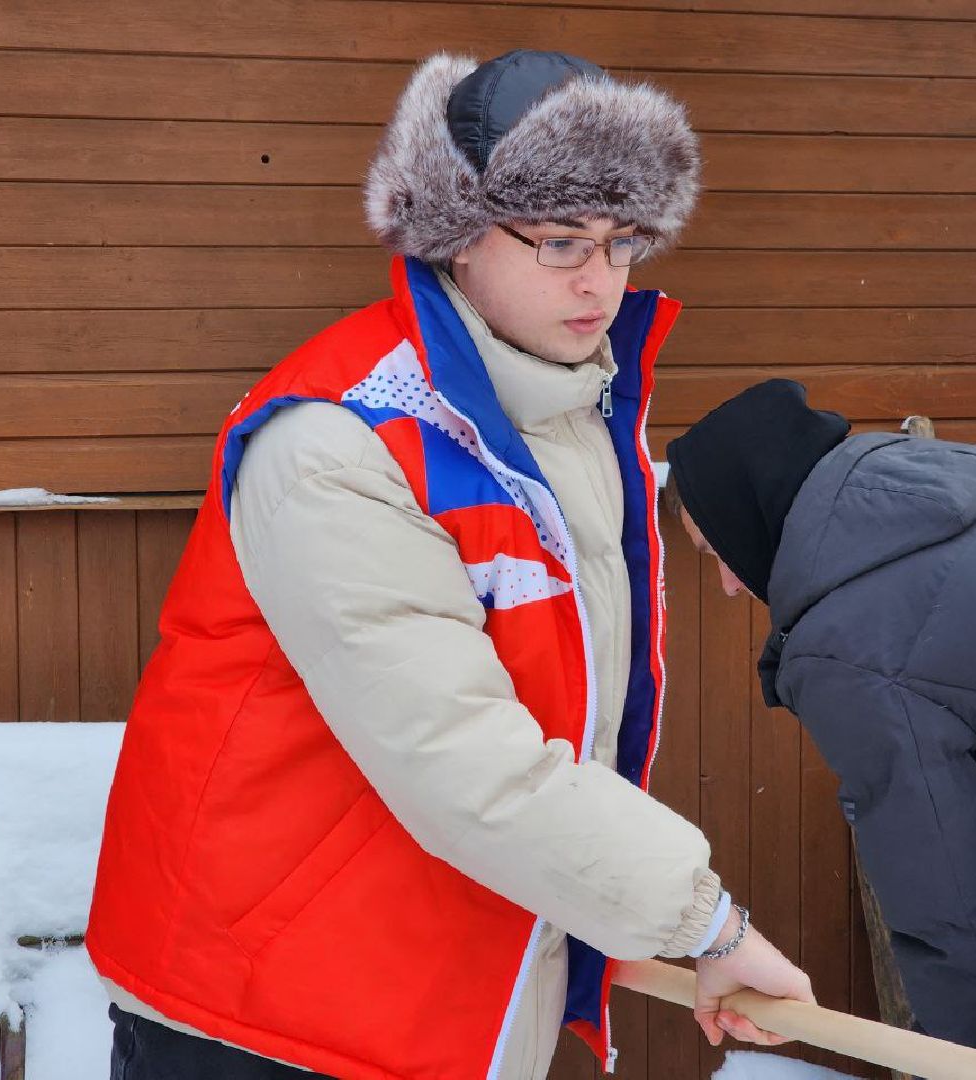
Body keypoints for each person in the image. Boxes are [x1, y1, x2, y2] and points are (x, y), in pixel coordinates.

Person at [86, 51, 813, 1080]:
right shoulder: (341, 440)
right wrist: (704, 924)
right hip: (272, 1012)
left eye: (621, 242)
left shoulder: (573, 418)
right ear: (457, 231)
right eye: (561, 240)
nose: (599, 279)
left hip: (439, 984)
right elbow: (467, 760)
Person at [664, 379, 976, 1070]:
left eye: (715, 552)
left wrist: (959, 1059)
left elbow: (948, 891)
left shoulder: (849, 643)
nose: (731, 586)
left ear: (750, 515)